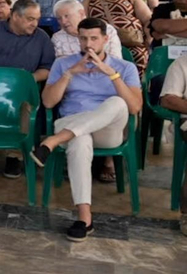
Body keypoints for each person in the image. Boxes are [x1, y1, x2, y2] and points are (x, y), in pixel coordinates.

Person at [32, 17, 143, 240]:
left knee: (118, 103)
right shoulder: (63, 64)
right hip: (72, 121)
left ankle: (53, 140)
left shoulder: (124, 67)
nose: (88, 44)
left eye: (94, 38)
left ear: (105, 39)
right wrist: (71, 73)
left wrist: (111, 74)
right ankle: (84, 218)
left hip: (107, 131)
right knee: (80, 140)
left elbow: (134, 107)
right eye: (83, 38)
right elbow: (48, 103)